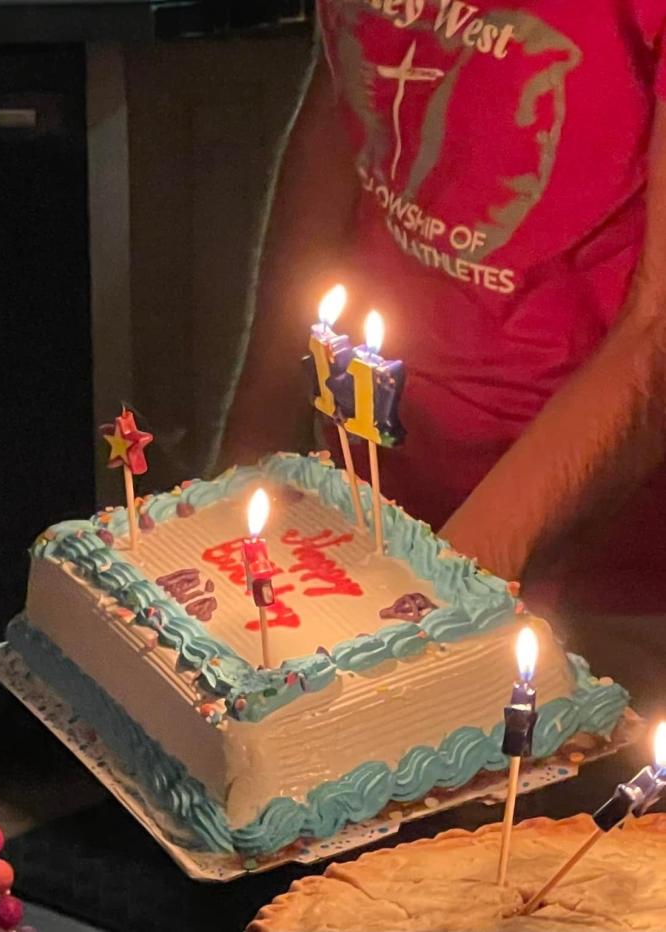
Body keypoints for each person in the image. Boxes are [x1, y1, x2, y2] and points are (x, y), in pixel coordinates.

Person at [219, 5, 666, 704]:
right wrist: (249, 448)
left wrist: (430, 615)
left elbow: (657, 333)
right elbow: (345, 106)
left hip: (612, 585)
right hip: (360, 529)